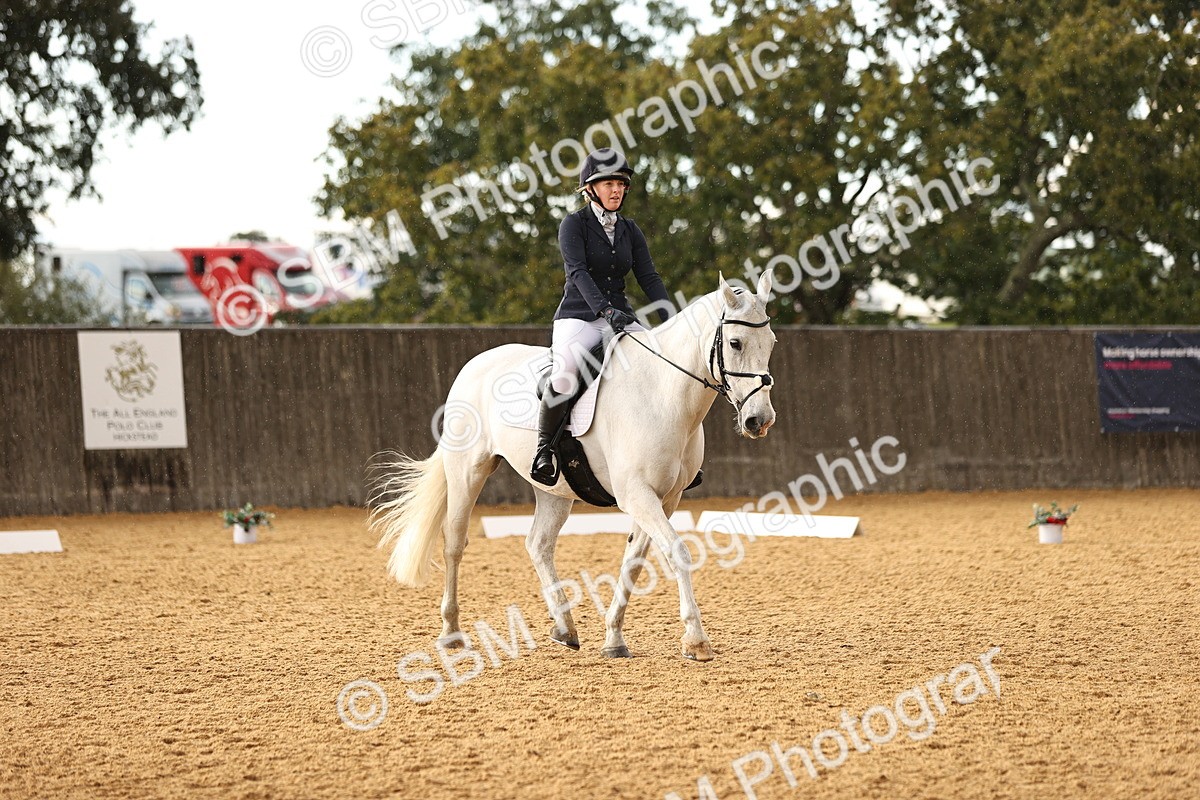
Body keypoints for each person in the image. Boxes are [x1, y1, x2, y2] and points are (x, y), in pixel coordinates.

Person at [529, 148, 674, 486]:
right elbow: (578, 272)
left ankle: (674, 454)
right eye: (608, 183)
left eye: (621, 184)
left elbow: (648, 276)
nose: (616, 190)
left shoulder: (630, 229)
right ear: (590, 189)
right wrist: (605, 311)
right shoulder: (573, 225)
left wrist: (669, 318)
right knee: (565, 375)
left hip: (620, 317)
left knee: (662, 364)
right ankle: (544, 449)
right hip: (579, 316)